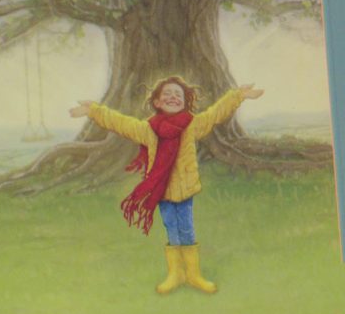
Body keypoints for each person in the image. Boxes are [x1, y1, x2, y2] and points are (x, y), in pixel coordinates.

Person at [70, 76, 262, 294]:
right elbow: (121, 123)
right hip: (162, 191)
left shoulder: (192, 124)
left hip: (186, 190)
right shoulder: (148, 129)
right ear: (157, 102)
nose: (173, 97)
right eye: (167, 94)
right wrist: (94, 110)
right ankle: (176, 274)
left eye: (178, 94)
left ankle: (193, 275)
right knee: (172, 229)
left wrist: (238, 95)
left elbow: (215, 113)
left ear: (185, 101)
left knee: (187, 229)